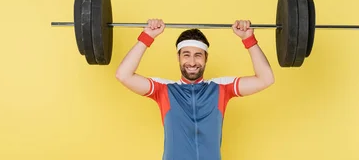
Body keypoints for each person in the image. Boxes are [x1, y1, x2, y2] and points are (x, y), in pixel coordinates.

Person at [115, 19, 275, 160]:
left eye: (198, 55)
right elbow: (123, 75)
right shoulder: (164, 90)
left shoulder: (221, 88)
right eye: (186, 55)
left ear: (206, 58)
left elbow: (265, 78)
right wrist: (147, 36)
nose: (192, 62)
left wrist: (249, 39)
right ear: (178, 57)